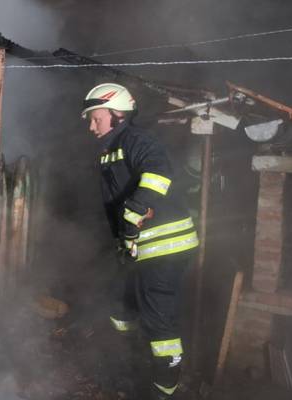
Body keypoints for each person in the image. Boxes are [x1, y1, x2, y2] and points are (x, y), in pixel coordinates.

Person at [81, 83, 198, 399]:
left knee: (158, 317)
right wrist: (124, 236)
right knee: (120, 305)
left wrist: (133, 217)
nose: (92, 127)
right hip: (138, 244)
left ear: (117, 115)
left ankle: (165, 388)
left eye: (96, 118)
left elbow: (158, 175)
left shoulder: (137, 140)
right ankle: (129, 365)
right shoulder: (113, 148)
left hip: (165, 245)